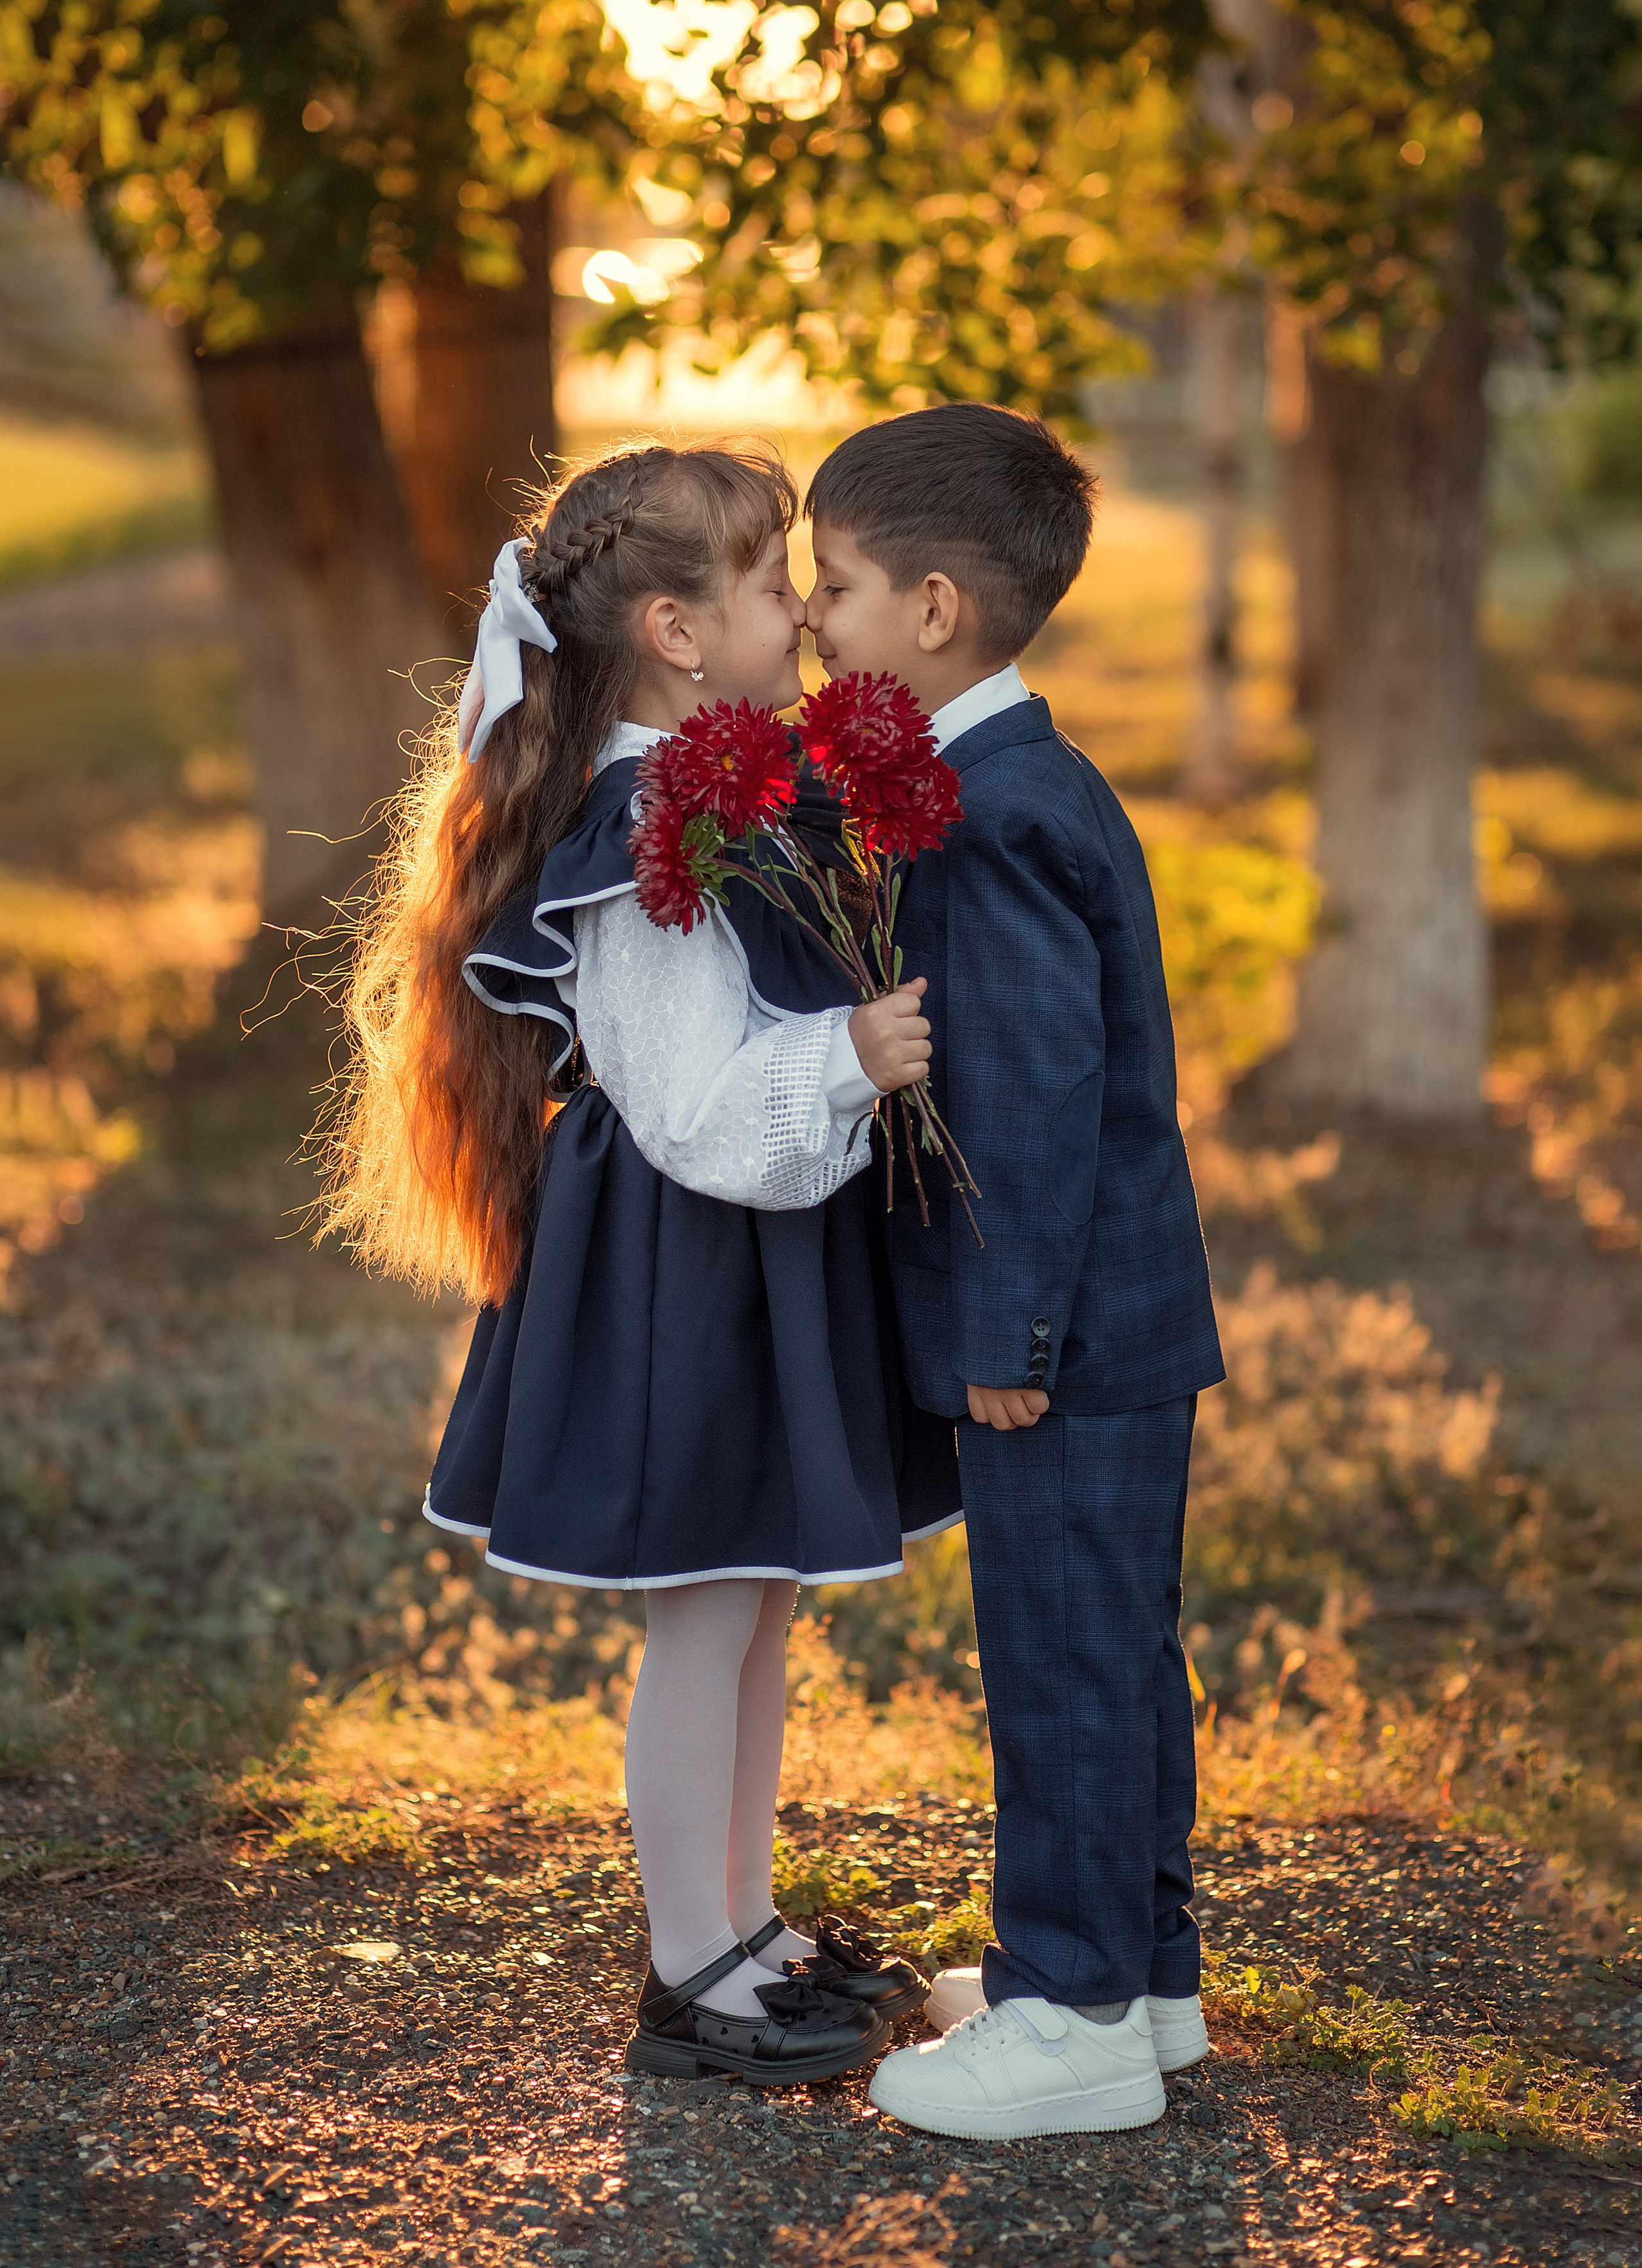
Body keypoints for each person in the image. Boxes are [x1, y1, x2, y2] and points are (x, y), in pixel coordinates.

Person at [324, 440, 960, 2087]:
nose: (803, 617)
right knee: (703, 1616)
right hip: (685, 1250)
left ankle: (741, 1926)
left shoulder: (715, 785)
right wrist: (850, 1061)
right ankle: (694, 1969)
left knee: (755, 1605)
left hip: (748, 1241)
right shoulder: (643, 823)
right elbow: (687, 1100)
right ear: (677, 632)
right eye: (772, 589)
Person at [803, 403, 1226, 2141]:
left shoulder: (984, 815)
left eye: (830, 587)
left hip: (1061, 1325)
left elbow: (1040, 1096)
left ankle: (1070, 2011)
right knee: (1116, 1645)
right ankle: (1144, 1975)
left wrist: (1006, 1329)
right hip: (1110, 1316)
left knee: (1063, 1653)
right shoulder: (1016, 781)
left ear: (931, 609)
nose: (814, 622)